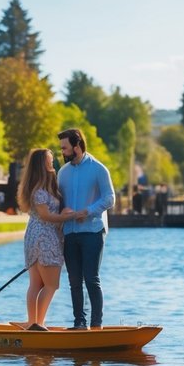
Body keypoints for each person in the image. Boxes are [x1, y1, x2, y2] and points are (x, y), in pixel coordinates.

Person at [57, 127, 116, 330]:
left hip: (92, 232)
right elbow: (59, 201)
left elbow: (110, 198)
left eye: (65, 148)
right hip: (69, 234)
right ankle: (79, 323)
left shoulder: (99, 169)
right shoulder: (62, 173)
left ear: (77, 145)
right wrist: (62, 208)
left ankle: (96, 325)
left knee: (91, 278)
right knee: (74, 281)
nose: (62, 152)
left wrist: (87, 211)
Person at [18, 148, 76, 331]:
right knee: (51, 284)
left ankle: (33, 322)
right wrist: (68, 216)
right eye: (49, 161)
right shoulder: (40, 190)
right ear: (41, 165)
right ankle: (38, 323)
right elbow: (46, 216)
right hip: (45, 238)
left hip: (34, 237)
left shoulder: (37, 188)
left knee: (36, 283)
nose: (53, 163)